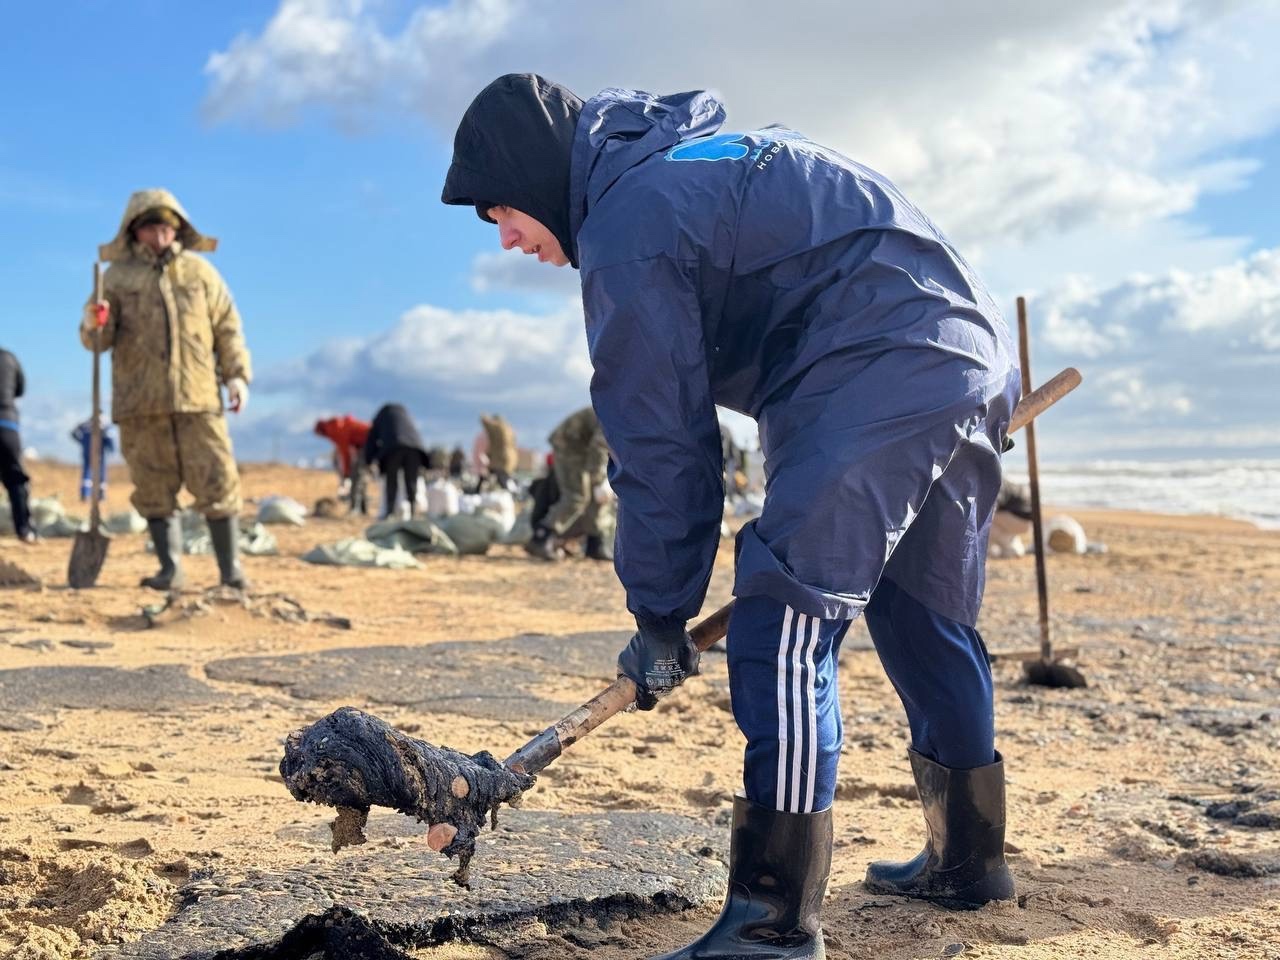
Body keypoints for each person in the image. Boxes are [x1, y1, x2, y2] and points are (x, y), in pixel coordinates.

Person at [443, 75, 1022, 957]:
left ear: (536, 173)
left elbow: (662, 442)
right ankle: (969, 860)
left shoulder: (628, 224)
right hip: (961, 352)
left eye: (503, 211)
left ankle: (771, 925)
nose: (509, 237)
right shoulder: (681, 166)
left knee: (784, 622)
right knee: (920, 609)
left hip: (869, 360)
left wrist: (658, 615)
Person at [81, 189, 252, 590]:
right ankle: (170, 570)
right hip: (140, 404)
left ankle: (231, 572)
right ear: (134, 232)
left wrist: (237, 375)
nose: (159, 236)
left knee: (217, 480)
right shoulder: (116, 278)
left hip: (198, 400)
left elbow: (228, 328)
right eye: (150, 228)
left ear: (177, 230)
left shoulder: (201, 274)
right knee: (153, 487)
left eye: (165, 227)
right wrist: (95, 322)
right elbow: (95, 343)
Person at [526, 406, 612, 563]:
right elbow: (599, 445)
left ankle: (595, 543)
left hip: (583, 447)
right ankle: (541, 537)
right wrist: (599, 481)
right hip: (569, 445)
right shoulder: (619, 410)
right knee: (576, 496)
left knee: (595, 496)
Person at [363, 403, 430, 520]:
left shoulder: (381, 417)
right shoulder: (406, 415)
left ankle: (390, 512)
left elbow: (371, 440)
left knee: (391, 481)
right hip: (414, 448)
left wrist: (369, 460)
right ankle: (413, 512)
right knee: (411, 481)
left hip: (393, 448)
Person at [0, 346, 35, 543]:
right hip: (6, 424)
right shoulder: (9, 358)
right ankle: (25, 530)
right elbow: (20, 389)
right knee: (16, 479)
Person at [314, 415, 371, 515]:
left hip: (368, 443)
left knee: (356, 475)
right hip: (367, 443)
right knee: (360, 476)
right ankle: (362, 508)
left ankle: (355, 508)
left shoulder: (335, 430)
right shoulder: (338, 425)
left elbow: (345, 453)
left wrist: (346, 472)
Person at [71, 416, 117, 503]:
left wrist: (82, 442)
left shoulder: (84, 425)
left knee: (87, 473)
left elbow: (73, 434)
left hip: (87, 451)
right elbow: (110, 439)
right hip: (99, 453)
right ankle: (101, 495)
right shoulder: (104, 426)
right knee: (101, 473)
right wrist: (111, 449)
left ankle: (85, 494)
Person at [479, 413, 517, 488]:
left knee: (499, 475)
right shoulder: (508, 429)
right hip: (509, 457)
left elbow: (488, 425)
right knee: (502, 474)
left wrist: (483, 417)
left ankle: (509, 490)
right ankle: (512, 489)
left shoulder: (499, 427)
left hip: (501, 457)